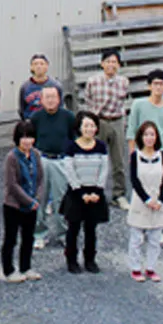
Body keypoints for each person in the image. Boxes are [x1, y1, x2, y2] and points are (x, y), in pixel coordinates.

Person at [62, 110, 110, 274]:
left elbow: (104, 170)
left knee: (91, 229)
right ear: (79, 127)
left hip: (95, 192)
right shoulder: (71, 147)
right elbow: (69, 171)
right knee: (73, 229)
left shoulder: (101, 146)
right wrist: (80, 193)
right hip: (76, 193)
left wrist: (98, 191)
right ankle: (72, 260)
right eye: (86, 125)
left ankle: (90, 260)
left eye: (92, 125)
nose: (89, 129)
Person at [30, 85, 75, 250]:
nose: (50, 100)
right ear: (41, 100)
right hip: (42, 160)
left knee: (61, 200)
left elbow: (74, 138)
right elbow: (30, 140)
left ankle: (63, 234)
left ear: (59, 99)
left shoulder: (68, 117)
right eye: (47, 97)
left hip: (61, 161)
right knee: (39, 199)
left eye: (53, 97)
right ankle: (39, 234)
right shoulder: (36, 118)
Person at [83, 49, 129, 209]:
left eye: (114, 62)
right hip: (99, 122)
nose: (111, 65)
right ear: (102, 64)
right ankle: (95, 193)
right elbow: (88, 100)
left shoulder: (123, 81)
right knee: (95, 159)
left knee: (119, 161)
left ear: (119, 65)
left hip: (117, 121)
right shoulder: (93, 81)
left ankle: (119, 194)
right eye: (108, 61)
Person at [2, 121, 44, 283]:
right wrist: (28, 200)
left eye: (30, 137)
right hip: (14, 204)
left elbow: (40, 178)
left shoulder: (36, 155)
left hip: (32, 203)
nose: (27, 141)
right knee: (11, 239)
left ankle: (26, 267)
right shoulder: (12, 157)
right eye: (23, 137)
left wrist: (37, 198)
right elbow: (12, 184)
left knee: (28, 237)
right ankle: (9, 270)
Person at [127, 121, 163, 283]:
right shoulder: (135, 156)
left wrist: (160, 200)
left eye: (152, 134)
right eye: (146, 135)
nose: (149, 138)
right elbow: (134, 180)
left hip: (158, 201)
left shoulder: (162, 156)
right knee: (136, 238)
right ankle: (135, 268)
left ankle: (151, 268)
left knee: (155, 238)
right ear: (141, 137)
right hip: (140, 201)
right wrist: (146, 199)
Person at [126, 70, 163, 192]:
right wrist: (132, 153)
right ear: (149, 86)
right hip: (142, 153)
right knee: (141, 188)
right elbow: (131, 130)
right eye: (155, 83)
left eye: (161, 84)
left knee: (161, 190)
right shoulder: (138, 105)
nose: (158, 87)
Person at [18, 54, 64, 120]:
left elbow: (61, 107)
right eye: (35, 64)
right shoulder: (25, 87)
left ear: (47, 66)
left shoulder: (56, 86)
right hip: (32, 122)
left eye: (42, 64)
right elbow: (22, 109)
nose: (38, 66)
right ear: (31, 67)